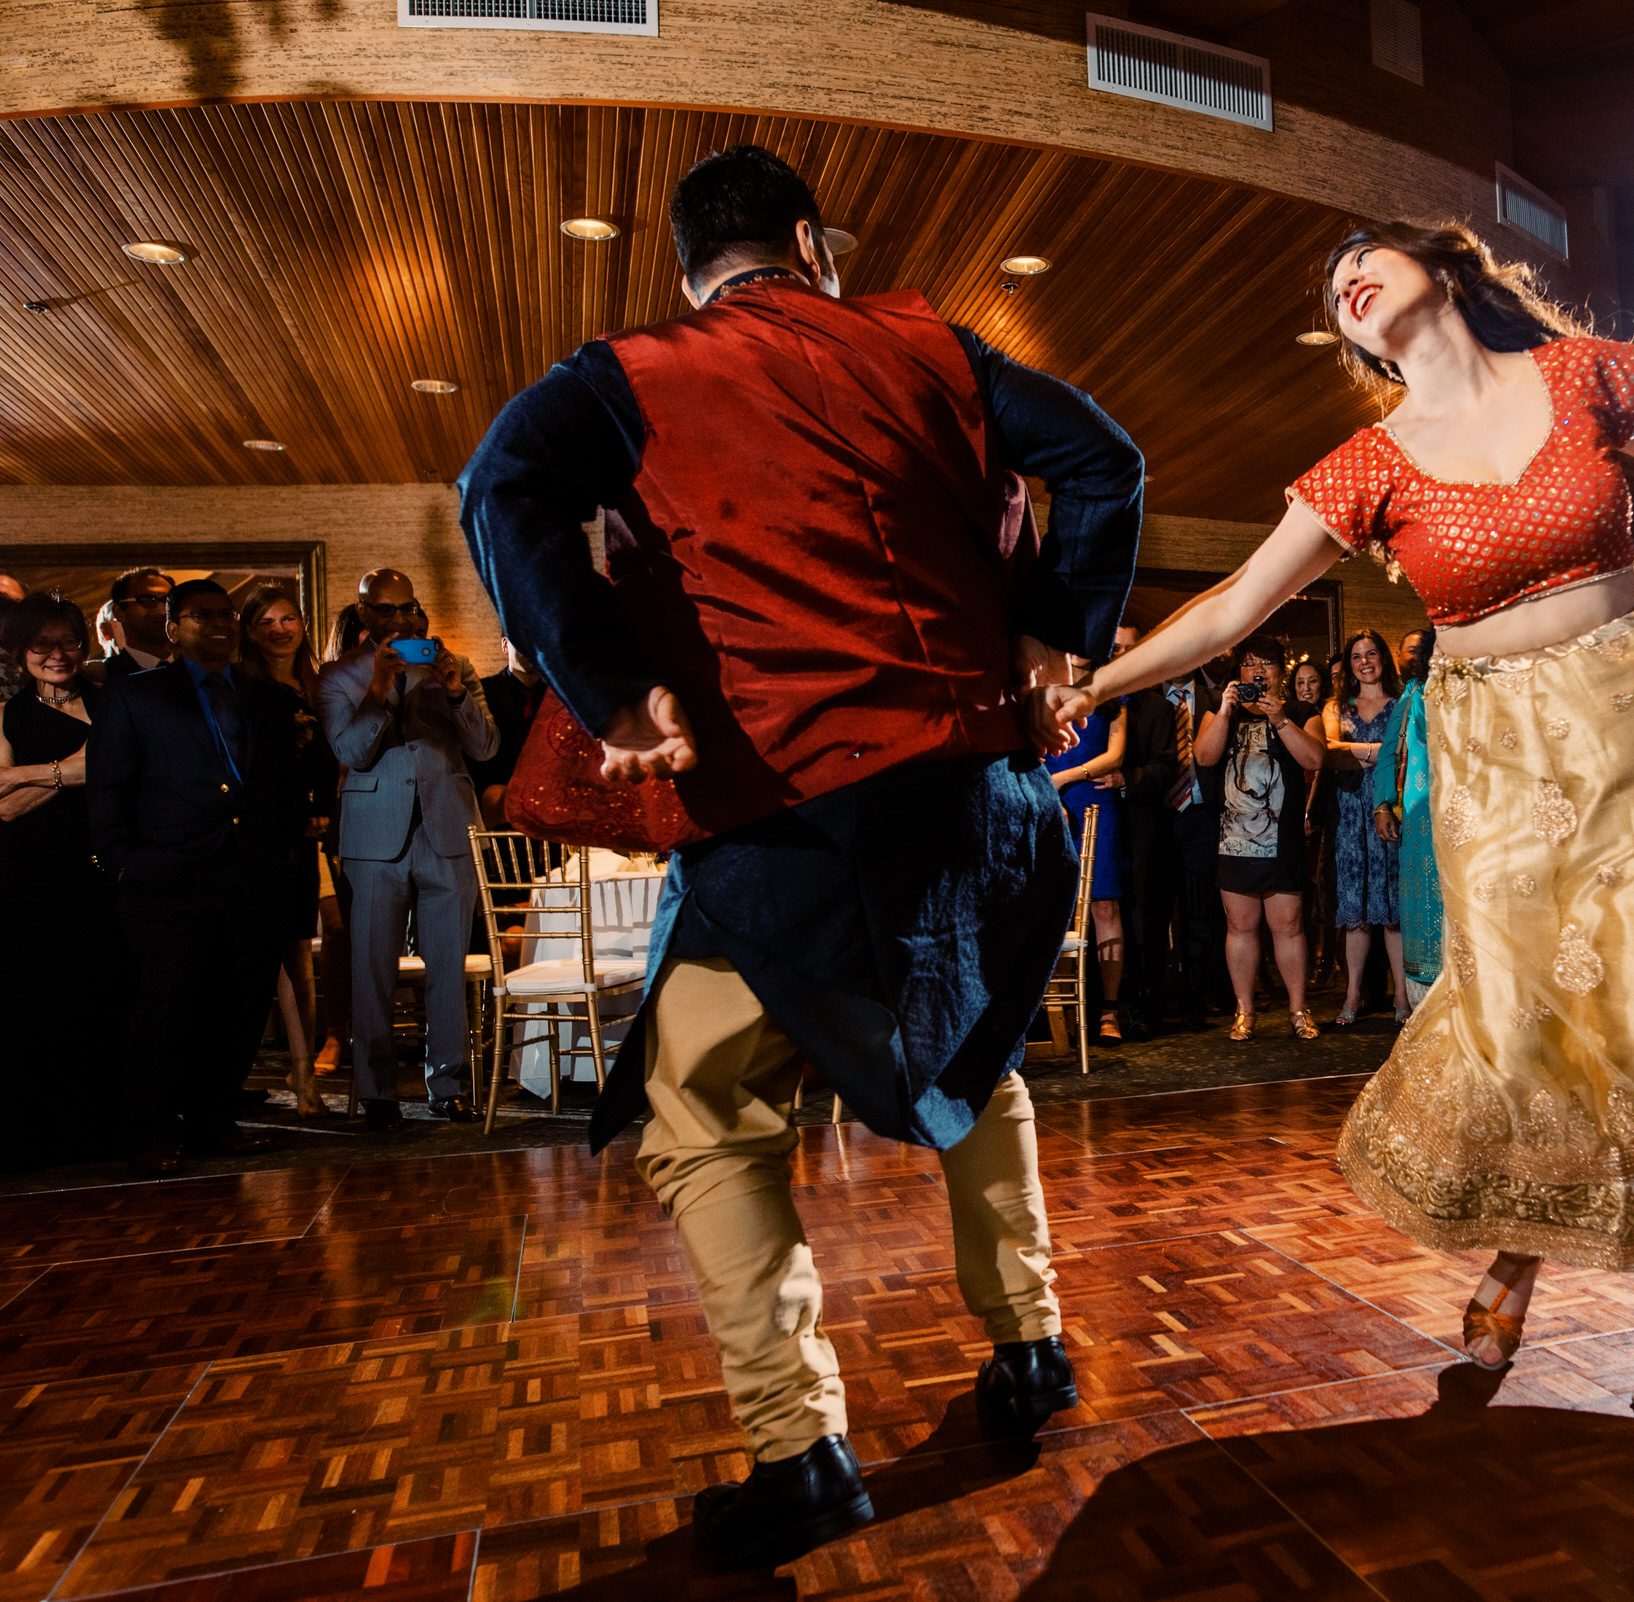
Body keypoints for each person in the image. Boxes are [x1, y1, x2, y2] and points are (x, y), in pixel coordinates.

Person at [458, 144, 1142, 1569]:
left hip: (799, 797)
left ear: (688, 271)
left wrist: (603, 685)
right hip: (982, 795)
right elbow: (1105, 458)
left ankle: (801, 1447)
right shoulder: (926, 337)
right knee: (979, 1053)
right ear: (814, 247)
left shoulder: (633, 366)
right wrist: (1059, 625)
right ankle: (1033, 1347)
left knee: (698, 1106)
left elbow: (501, 484)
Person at [1041, 218, 1634, 1411]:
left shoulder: (1588, 371)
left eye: (1364, 262)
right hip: (1489, 753)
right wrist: (1091, 681)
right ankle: (1519, 1245)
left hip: (1626, 729)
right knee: (1524, 1015)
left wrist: (1624, 614)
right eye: (1333, 288)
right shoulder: (1369, 462)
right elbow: (1235, 607)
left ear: (1442, 271)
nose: (1345, 283)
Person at [88, 580, 308, 1174]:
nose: (218, 624)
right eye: (201, 615)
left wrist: (282, 859)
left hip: (251, 877)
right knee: (168, 1006)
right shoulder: (136, 696)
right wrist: (121, 861)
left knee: (238, 1005)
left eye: (225, 614)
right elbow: (110, 787)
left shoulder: (267, 698)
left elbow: (285, 791)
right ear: (172, 628)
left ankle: (217, 1120)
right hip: (168, 877)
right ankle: (152, 1128)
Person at [317, 569, 498, 1129]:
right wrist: (376, 688)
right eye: (387, 611)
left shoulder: (456, 666)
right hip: (375, 837)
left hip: (447, 829)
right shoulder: (336, 676)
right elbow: (352, 751)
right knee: (373, 967)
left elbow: (486, 747)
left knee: (447, 966)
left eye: (408, 609)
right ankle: (377, 1093)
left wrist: (456, 692)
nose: (400, 620)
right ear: (365, 615)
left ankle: (448, 1088)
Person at [0, 593, 121, 1166]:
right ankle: (46, 1139)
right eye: (42, 644)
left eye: (68, 641)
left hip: (109, 873)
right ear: (20, 652)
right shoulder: (8, 713)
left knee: (107, 1001)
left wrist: (23, 777)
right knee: (44, 1004)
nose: (57, 654)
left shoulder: (111, 701)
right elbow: (1, 810)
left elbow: (125, 773)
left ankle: (104, 1130)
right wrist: (70, 770)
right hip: (34, 879)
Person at [238, 585, 337, 1116]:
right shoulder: (241, 688)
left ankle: (304, 1075)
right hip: (264, 836)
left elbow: (332, 759)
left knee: (301, 953)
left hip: (314, 836)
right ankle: (251, 1069)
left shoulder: (319, 686)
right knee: (266, 954)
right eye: (267, 621)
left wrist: (322, 807)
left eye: (289, 618)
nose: (280, 628)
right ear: (250, 631)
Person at [1196, 636, 1325, 1040]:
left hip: (1281, 839)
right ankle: (1244, 1010)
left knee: (1288, 925)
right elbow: (1204, 757)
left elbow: (1316, 759)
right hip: (1233, 839)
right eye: (1249, 664)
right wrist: (1224, 710)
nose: (1258, 671)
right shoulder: (1221, 713)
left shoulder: (1302, 712)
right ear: (1238, 674)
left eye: (1267, 664)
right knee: (1240, 926)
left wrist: (1280, 719)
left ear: (1280, 673)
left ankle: (1298, 1010)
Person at [1118, 630, 1225, 1035]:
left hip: (1200, 815)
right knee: (1149, 917)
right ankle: (1150, 1007)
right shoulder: (1142, 705)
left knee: (1200, 917)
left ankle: (1194, 1004)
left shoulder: (1216, 702)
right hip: (1152, 821)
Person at [1325, 629, 1406, 1024]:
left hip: (1390, 809)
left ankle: (1402, 999)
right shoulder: (1336, 707)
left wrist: (1355, 751)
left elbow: (1406, 754)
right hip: (1351, 817)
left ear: (1383, 660)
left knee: (1392, 910)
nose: (1364, 661)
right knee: (1355, 911)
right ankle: (1353, 994)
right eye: (1356, 656)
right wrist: (1383, 752)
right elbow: (1330, 752)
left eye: (1371, 653)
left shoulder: (1402, 703)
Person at [1044, 684, 1128, 1043]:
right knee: (1050, 906)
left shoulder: (1113, 695)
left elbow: (1115, 756)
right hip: (1047, 799)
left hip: (1094, 800)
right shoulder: (1044, 690)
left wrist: (1062, 778)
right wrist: (1046, 791)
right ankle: (1050, 1016)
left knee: (1104, 905)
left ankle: (1109, 1009)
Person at [1370, 623, 1441, 1010]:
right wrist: (1383, 804)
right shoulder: (1415, 692)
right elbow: (1387, 754)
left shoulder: (1478, 680)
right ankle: (1425, 1006)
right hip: (1420, 817)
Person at [1286, 657, 1335, 988]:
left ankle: (1325, 961)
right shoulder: (1288, 717)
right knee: (1298, 890)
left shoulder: (1329, 716)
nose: (1306, 688)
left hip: (1322, 808)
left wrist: (1307, 811)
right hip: (1291, 809)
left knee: (1322, 889)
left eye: (1312, 681)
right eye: (1300, 683)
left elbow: (1319, 768)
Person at [469, 636, 548, 824]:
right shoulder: (482, 692)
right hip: (497, 810)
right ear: (505, 645)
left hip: (546, 808)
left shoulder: (557, 697)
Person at [100, 567, 175, 681]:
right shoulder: (104, 677)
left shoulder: (198, 668)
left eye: (168, 601)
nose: (163, 610)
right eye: (148, 600)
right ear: (119, 612)